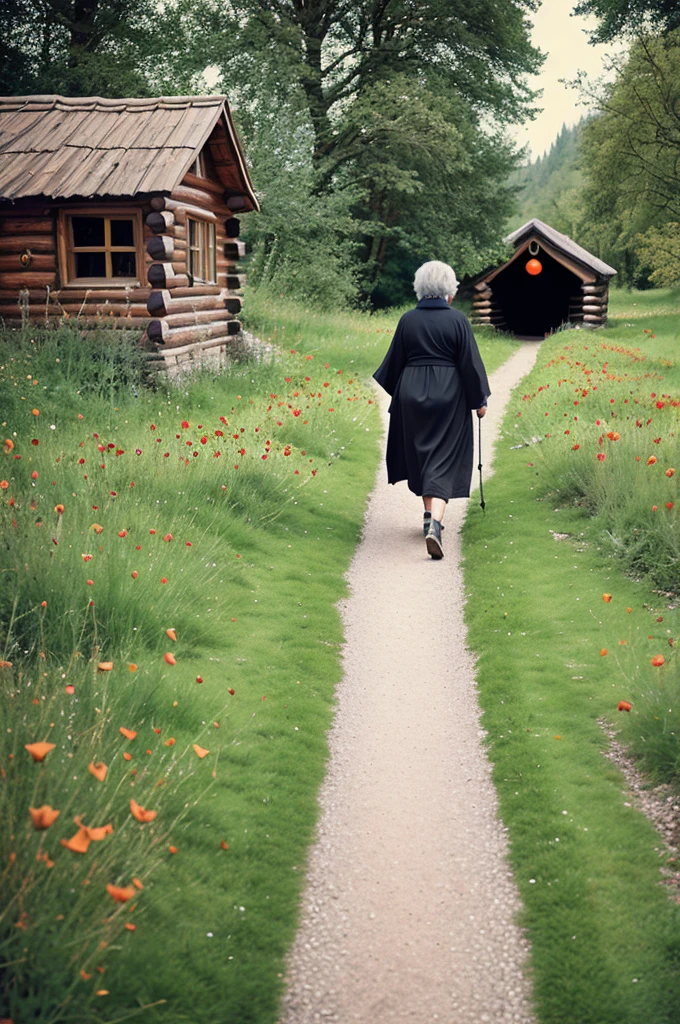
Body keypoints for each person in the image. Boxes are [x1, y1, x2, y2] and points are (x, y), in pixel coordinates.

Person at [373, 260, 490, 560]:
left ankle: (429, 518)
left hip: (411, 394)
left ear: (420, 289)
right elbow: (470, 365)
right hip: (449, 394)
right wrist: (479, 400)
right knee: (444, 458)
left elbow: (392, 366)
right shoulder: (458, 321)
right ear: (449, 291)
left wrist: (405, 395)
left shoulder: (407, 321)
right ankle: (435, 523)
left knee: (424, 456)